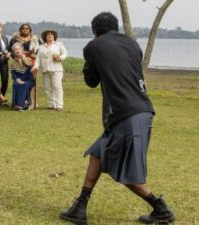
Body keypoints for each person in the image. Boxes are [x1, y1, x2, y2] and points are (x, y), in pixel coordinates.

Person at [59, 12, 175, 225]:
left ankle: (160, 208)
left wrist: (92, 58)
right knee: (97, 154)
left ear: (95, 31)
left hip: (126, 115)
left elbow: (91, 81)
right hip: (142, 110)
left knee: (122, 169)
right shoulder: (132, 44)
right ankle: (80, 207)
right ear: (116, 27)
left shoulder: (94, 47)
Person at [32, 29, 67, 111]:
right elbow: (37, 59)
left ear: (54, 36)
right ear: (45, 37)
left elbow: (65, 53)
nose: (50, 35)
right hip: (45, 70)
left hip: (57, 70)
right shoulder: (41, 47)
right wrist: (35, 67)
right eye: (48, 35)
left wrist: (60, 58)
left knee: (57, 87)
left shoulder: (59, 44)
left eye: (51, 34)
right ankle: (51, 105)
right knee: (47, 88)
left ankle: (59, 106)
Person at [10, 43, 36, 112]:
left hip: (29, 80)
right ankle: (16, 105)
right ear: (14, 52)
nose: (17, 51)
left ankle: (22, 104)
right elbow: (13, 74)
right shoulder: (13, 62)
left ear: (22, 50)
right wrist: (17, 79)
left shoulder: (28, 59)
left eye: (19, 49)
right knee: (16, 84)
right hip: (19, 80)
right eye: (15, 50)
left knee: (24, 84)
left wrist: (23, 57)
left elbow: (29, 64)